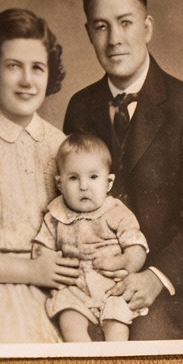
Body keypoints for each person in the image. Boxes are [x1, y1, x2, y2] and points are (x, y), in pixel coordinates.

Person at [62, 0, 183, 340]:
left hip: (165, 291)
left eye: (125, 23)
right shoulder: (80, 106)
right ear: (89, 33)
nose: (114, 40)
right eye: (101, 26)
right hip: (87, 288)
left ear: (147, 28)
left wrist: (157, 278)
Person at [0, 9, 70, 350]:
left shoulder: (61, 146)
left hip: (58, 301)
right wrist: (32, 271)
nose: (26, 81)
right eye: (13, 66)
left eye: (37, 68)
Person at [33, 134, 148, 344]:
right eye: (73, 178)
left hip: (112, 288)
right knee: (69, 320)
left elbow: (136, 247)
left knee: (117, 324)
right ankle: (82, 356)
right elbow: (41, 248)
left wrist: (122, 262)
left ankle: (116, 360)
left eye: (93, 177)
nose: (84, 186)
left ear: (109, 182)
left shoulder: (116, 212)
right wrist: (52, 258)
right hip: (74, 288)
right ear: (60, 184)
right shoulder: (55, 215)